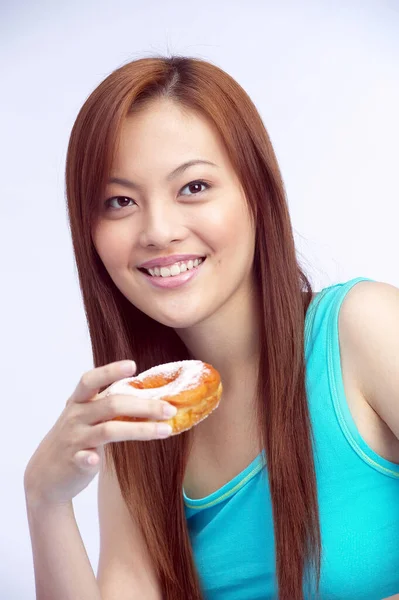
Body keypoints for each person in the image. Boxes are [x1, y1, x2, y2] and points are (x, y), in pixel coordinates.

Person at [23, 55, 399, 600]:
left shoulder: (363, 328)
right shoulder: (138, 425)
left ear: (257, 194)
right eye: (120, 201)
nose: (158, 230)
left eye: (193, 187)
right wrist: (45, 502)